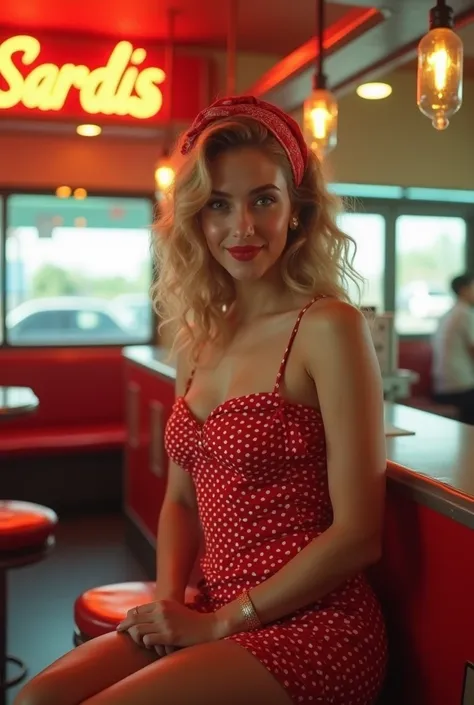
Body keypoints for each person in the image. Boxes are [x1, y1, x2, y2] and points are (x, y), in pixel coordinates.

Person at [15, 95, 387, 705]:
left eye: (262, 199)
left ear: (297, 209)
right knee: (36, 699)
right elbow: (181, 501)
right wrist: (167, 604)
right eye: (218, 204)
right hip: (211, 604)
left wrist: (219, 623)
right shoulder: (198, 339)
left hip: (313, 624)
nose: (241, 227)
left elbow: (358, 534)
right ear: (196, 218)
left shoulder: (328, 326)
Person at [432, 273, 474, 424]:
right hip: (460, 389)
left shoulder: (448, 314)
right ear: (464, 290)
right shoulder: (465, 314)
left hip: (441, 387)